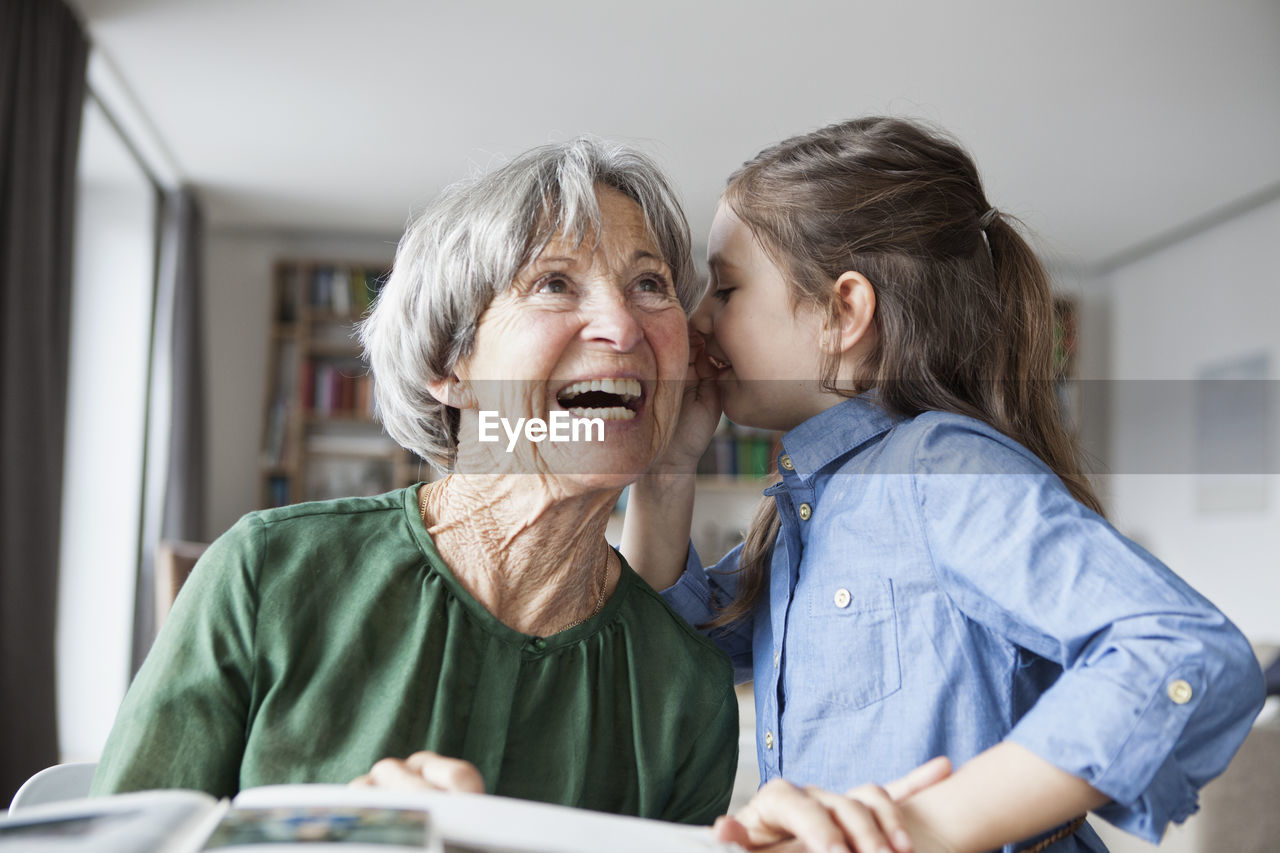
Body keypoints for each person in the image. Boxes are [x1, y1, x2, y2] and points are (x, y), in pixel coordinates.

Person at [622, 117, 1266, 851]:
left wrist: (922, 825)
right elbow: (666, 661)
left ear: (844, 313)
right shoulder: (811, 506)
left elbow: (1180, 648)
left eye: (727, 289)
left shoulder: (938, 468)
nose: (698, 319)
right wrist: (666, 470)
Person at [92, 138, 745, 824]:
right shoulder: (267, 574)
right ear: (449, 362)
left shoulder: (688, 694)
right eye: (554, 283)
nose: (623, 326)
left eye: (650, 285)